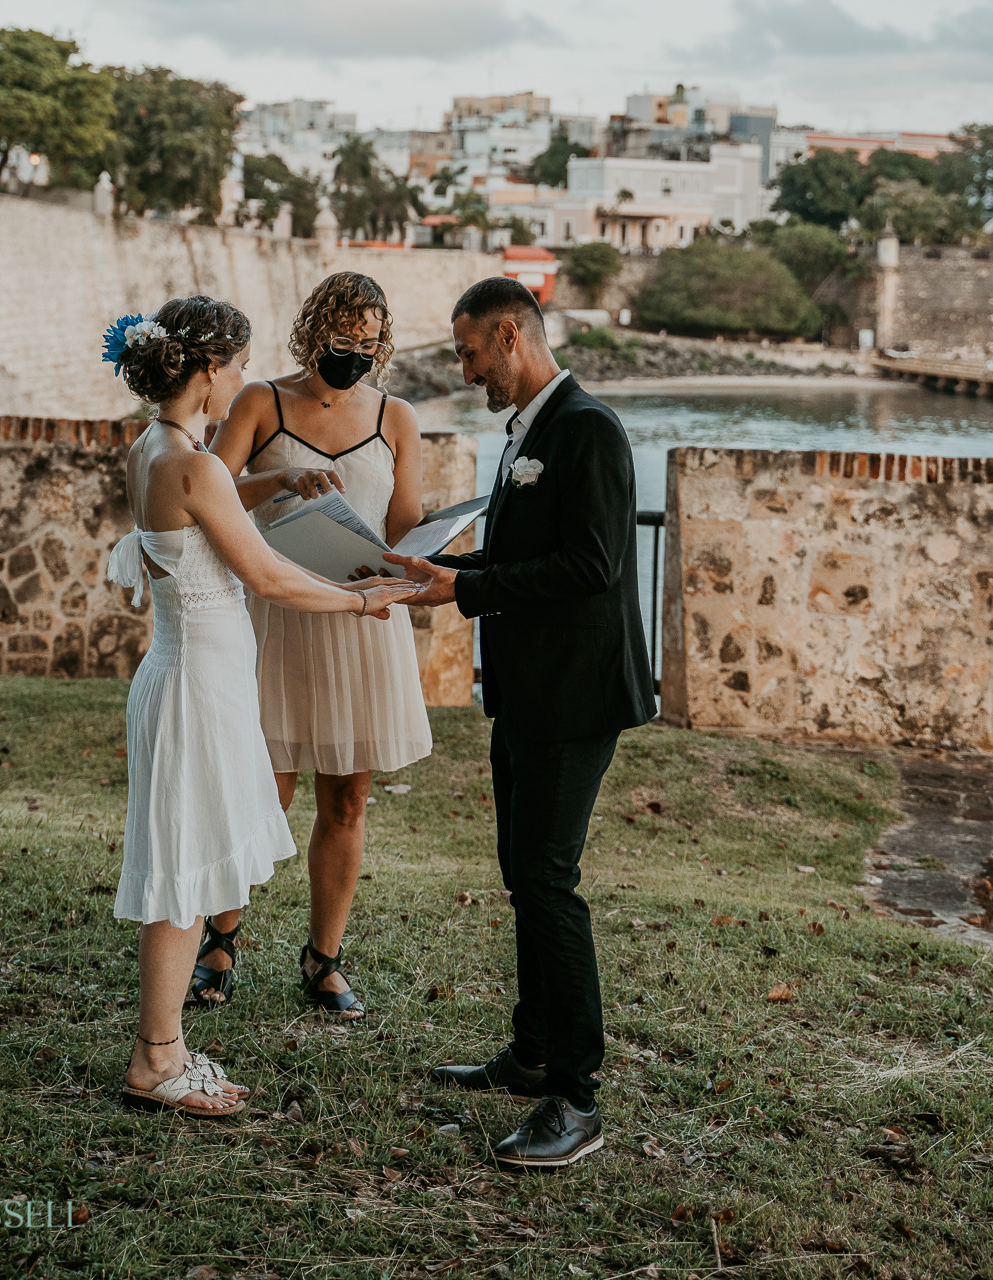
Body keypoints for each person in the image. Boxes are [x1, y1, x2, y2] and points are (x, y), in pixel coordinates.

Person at [103, 294, 421, 1116]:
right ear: (208, 370)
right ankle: (157, 1060)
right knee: (182, 871)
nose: (243, 378)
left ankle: (160, 1045)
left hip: (183, 675)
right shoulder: (194, 462)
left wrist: (275, 478)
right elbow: (270, 576)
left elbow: (208, 514)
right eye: (237, 365)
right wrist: (362, 600)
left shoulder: (155, 448)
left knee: (186, 859)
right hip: (196, 689)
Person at [385, 276, 654, 1169]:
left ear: (510, 336)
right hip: (529, 690)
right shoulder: (526, 434)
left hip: (578, 696)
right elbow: (522, 555)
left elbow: (592, 565)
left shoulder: (589, 429)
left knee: (546, 878)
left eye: (469, 354)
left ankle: (576, 1097)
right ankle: (532, 1052)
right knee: (520, 871)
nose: (466, 374)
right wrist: (441, 566)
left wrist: (468, 587)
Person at [208, 271, 432, 1020]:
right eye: (344, 342)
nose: (357, 356)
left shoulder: (397, 416)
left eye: (370, 345)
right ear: (313, 333)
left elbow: (403, 522)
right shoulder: (260, 401)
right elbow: (202, 485)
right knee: (260, 789)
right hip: (276, 617)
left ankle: (323, 959)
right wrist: (280, 483)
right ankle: (219, 941)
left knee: (347, 797)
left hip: (363, 617)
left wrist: (419, 549)